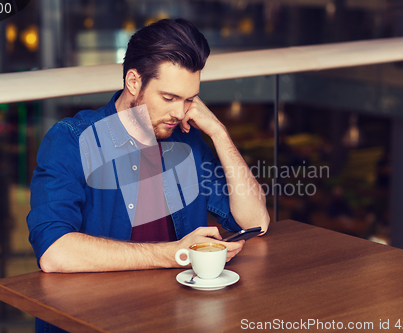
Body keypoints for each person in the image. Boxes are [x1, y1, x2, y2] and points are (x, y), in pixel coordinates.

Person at [28, 18, 269, 331]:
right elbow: (53, 252)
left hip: (175, 318)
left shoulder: (185, 139)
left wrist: (218, 131)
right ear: (133, 82)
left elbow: (256, 223)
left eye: (190, 99)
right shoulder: (71, 141)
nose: (180, 113)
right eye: (169, 98)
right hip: (95, 320)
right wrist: (174, 253)